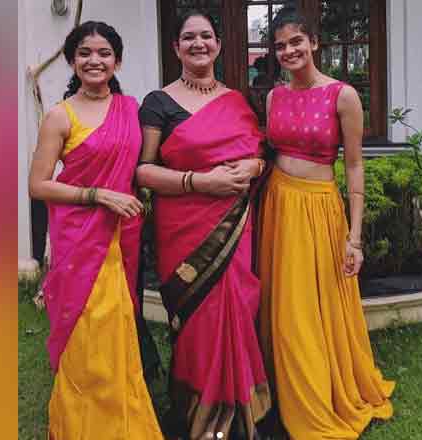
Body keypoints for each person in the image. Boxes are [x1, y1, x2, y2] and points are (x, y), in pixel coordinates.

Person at [257, 7, 396, 440]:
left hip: (319, 210)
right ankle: (281, 389)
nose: (288, 51)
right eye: (280, 45)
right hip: (278, 205)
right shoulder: (274, 97)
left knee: (313, 310)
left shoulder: (342, 95)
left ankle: (317, 397)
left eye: (296, 41)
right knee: (284, 308)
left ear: (314, 42)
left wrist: (354, 238)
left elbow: (354, 167)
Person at [136, 10, 270, 440]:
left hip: (234, 227)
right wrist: (200, 181)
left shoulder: (238, 100)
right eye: (189, 37)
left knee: (237, 308)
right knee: (198, 318)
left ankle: (240, 416)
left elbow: (259, 155)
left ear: (218, 44)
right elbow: (144, 170)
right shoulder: (158, 102)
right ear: (175, 47)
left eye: (206, 36)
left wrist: (253, 166)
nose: (199, 43)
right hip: (184, 229)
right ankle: (197, 414)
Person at [28, 21, 163, 440]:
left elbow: (148, 165)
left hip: (123, 235)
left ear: (117, 62)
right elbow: (38, 185)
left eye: (104, 53)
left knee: (119, 330)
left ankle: (124, 422)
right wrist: (97, 195)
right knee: (85, 334)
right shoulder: (60, 116)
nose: (94, 60)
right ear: (72, 60)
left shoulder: (131, 110)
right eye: (85, 52)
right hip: (80, 241)